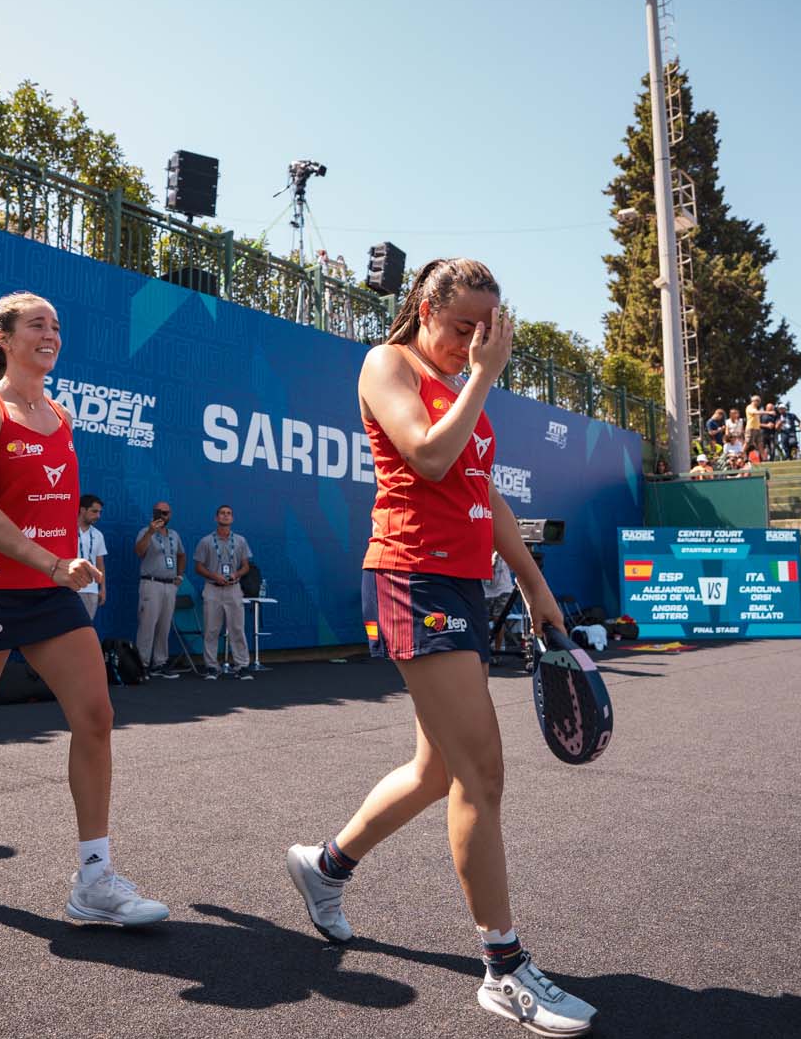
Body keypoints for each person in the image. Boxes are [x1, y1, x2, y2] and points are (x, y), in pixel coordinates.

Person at [285, 257, 596, 1037]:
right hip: (410, 579)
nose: (472, 344)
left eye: (486, 333)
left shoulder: (463, 390)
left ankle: (325, 867)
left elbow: (483, 491)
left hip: (461, 585)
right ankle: (503, 967)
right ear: (425, 310)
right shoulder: (387, 364)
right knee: (481, 773)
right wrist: (482, 378)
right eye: (462, 328)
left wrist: (534, 586)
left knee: (435, 771)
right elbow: (427, 455)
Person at [0, 292, 168, 926]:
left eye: (56, 325)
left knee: (96, 717)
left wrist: (59, 567)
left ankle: (95, 880)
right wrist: (56, 563)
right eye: (37, 324)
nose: (51, 334)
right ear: (3, 338)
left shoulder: (60, 414)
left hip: (48, 593)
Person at [193, 504, 252, 680]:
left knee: (237, 629)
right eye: (222, 513)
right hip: (213, 588)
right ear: (216, 518)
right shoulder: (206, 541)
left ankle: (241, 666)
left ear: (232, 518)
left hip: (233, 589)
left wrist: (236, 574)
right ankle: (212, 666)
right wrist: (214, 576)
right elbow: (198, 567)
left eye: (229, 514)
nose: (225, 516)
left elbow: (246, 566)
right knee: (211, 630)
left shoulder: (240, 540)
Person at [133, 500, 185, 679]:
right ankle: (142, 664)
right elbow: (139, 552)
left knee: (164, 625)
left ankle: (160, 663)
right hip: (151, 583)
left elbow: (181, 555)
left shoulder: (174, 535)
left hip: (170, 585)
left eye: (166, 513)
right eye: (159, 512)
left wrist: (180, 576)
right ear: (154, 513)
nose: (163, 515)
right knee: (147, 624)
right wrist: (150, 532)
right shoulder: (145, 531)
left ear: (170, 515)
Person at [75, 494, 108, 621]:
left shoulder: (98, 535)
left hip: (91, 590)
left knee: (86, 627)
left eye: (100, 512)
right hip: (71, 588)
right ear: (82, 510)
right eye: (94, 511)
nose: (98, 516)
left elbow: (100, 564)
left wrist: (102, 588)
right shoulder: (67, 530)